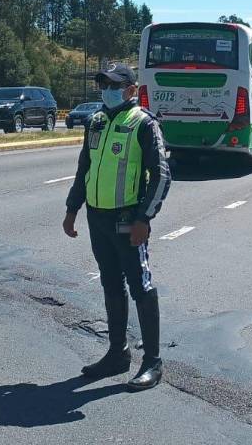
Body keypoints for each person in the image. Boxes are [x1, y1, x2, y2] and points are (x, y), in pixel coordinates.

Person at [63, 62, 171, 391]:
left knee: (140, 285)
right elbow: (85, 167)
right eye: (103, 85)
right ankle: (117, 353)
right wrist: (72, 209)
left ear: (130, 90)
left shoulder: (143, 124)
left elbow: (162, 175)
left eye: (112, 85)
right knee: (111, 283)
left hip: (127, 219)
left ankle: (152, 361)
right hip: (98, 217)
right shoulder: (95, 121)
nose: (106, 91)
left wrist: (144, 219)